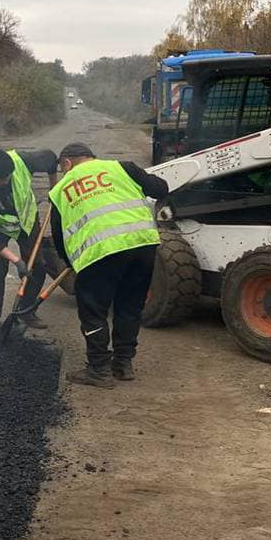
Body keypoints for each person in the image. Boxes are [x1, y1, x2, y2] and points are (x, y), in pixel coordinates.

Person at [49, 142, 169, 387]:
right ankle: (123, 364)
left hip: (100, 253)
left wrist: (70, 262)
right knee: (129, 306)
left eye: (63, 168)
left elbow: (59, 237)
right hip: (142, 245)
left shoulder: (61, 189)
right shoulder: (123, 167)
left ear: (67, 163)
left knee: (93, 311)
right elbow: (161, 189)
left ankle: (98, 369)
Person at [0, 148, 59, 326]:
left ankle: (26, 311)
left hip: (26, 220)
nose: (4, 182)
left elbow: (50, 159)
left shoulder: (23, 161)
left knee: (37, 265)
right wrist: (17, 261)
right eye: (0, 180)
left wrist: (53, 188)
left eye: (7, 177)